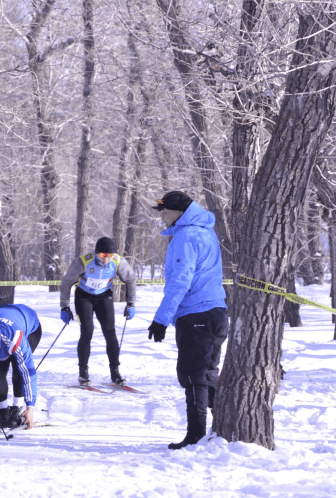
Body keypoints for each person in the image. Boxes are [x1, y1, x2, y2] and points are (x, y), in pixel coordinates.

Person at [148, 191, 229, 450]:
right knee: (206, 374)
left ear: (178, 212)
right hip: (215, 312)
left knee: (193, 376)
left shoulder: (186, 236)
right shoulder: (205, 231)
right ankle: (224, 427)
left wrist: (161, 319)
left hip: (196, 314)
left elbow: (181, 280)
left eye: (164, 211)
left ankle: (196, 435)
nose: (162, 217)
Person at [60, 237, 137, 386]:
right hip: (84, 296)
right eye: (102, 255)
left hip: (104, 296)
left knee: (110, 332)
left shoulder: (117, 261)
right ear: (96, 253)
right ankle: (83, 373)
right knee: (87, 331)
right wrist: (64, 306)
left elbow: (130, 279)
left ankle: (115, 372)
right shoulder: (83, 261)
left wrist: (131, 304)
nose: (106, 259)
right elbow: (67, 282)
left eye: (109, 255)